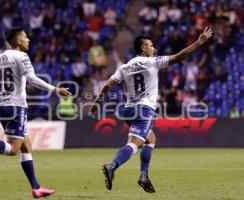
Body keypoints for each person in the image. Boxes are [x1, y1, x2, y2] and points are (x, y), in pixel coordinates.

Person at [90, 27, 213, 192]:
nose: (153, 49)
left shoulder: (125, 66)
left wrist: (96, 103)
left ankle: (144, 176)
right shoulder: (152, 62)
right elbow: (180, 56)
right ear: (143, 48)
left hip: (129, 110)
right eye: (151, 45)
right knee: (135, 144)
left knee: (151, 139)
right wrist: (199, 42)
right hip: (144, 109)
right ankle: (112, 166)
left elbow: (107, 85)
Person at [0, 28, 72, 198]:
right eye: (25, 37)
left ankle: (36, 188)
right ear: (18, 41)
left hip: (2, 107)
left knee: (26, 145)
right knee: (14, 149)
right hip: (17, 107)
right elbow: (32, 79)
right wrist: (55, 89)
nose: (28, 39)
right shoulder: (22, 57)